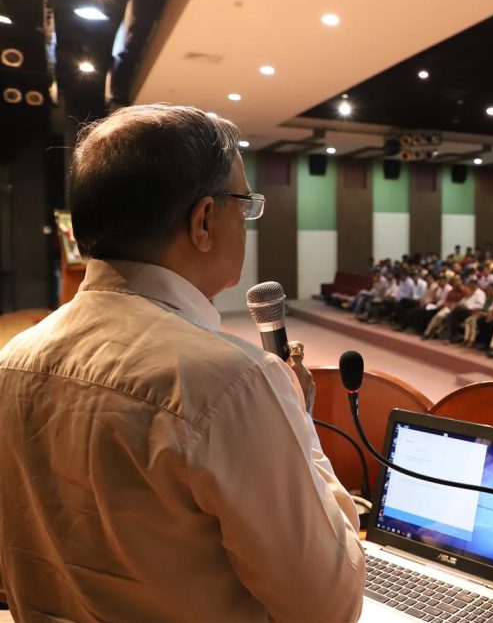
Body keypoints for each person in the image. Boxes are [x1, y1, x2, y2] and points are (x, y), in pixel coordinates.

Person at [0, 105, 364, 620]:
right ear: (204, 221)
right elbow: (328, 607)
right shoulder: (230, 381)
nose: (249, 219)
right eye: (245, 203)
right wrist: (299, 428)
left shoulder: (12, 361)